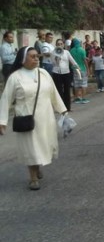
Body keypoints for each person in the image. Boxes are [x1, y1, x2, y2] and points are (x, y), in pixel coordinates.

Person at [0, 47, 67, 190]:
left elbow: (53, 93)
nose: (36, 58)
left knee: (42, 145)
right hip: (26, 118)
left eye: (37, 56)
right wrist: (2, 121)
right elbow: (5, 99)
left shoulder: (43, 73)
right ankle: (33, 177)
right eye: (32, 56)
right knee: (31, 147)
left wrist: (63, 111)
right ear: (23, 60)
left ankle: (37, 166)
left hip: (45, 117)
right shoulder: (15, 77)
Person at [51, 39, 80, 112]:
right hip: (57, 73)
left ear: (63, 45)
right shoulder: (53, 53)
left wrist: (77, 67)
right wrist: (57, 57)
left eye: (61, 44)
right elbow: (54, 63)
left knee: (67, 90)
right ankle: (60, 108)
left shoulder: (66, 52)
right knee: (59, 91)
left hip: (66, 72)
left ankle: (68, 107)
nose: (60, 45)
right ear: (56, 45)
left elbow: (72, 60)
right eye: (58, 44)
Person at [70, 39, 90, 104]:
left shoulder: (71, 50)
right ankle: (83, 98)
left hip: (75, 69)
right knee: (83, 83)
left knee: (76, 84)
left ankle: (77, 98)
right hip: (82, 69)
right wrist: (88, 69)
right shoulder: (82, 50)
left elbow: (70, 61)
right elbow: (84, 60)